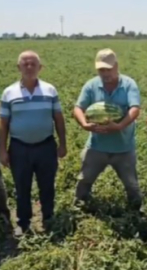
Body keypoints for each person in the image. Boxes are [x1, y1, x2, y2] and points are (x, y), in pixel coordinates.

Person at [0, 50, 67, 236]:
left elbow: (59, 119)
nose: (29, 67)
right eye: (25, 64)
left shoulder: (50, 90)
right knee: (22, 187)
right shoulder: (9, 93)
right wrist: (2, 151)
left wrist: (62, 144)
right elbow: (3, 123)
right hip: (19, 147)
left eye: (33, 64)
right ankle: (23, 222)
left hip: (46, 145)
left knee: (47, 185)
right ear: (18, 67)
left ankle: (48, 218)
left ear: (40, 67)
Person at [73, 48, 142, 211]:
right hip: (97, 147)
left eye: (108, 69)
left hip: (124, 147)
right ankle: (79, 208)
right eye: (101, 69)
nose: (105, 73)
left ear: (116, 66)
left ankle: (136, 211)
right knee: (84, 179)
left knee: (131, 184)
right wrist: (84, 123)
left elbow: (135, 109)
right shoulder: (91, 85)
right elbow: (78, 108)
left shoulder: (128, 84)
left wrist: (119, 126)